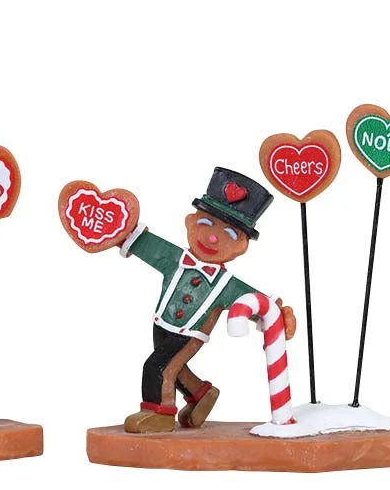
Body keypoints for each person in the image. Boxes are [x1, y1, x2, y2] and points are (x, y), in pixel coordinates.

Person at [119, 167, 296, 433]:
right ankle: (200, 394)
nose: (213, 237)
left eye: (230, 234)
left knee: (158, 366)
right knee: (176, 367)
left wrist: (278, 314)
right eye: (206, 224)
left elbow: (255, 302)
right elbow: (145, 244)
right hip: (161, 322)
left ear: (241, 246)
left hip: (190, 333)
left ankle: (158, 413)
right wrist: (120, 232)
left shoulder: (226, 285)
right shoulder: (174, 258)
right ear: (190, 222)